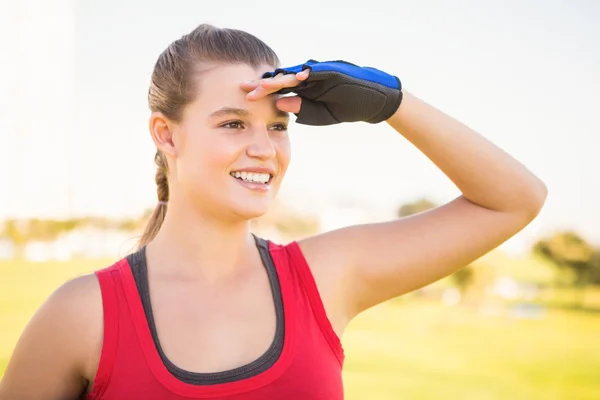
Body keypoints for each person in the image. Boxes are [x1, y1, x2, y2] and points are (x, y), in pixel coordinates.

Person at [0, 24, 547, 400]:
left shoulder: (326, 276)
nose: (265, 149)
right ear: (166, 134)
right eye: (234, 123)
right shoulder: (81, 316)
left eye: (279, 127)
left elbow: (515, 199)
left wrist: (391, 103)